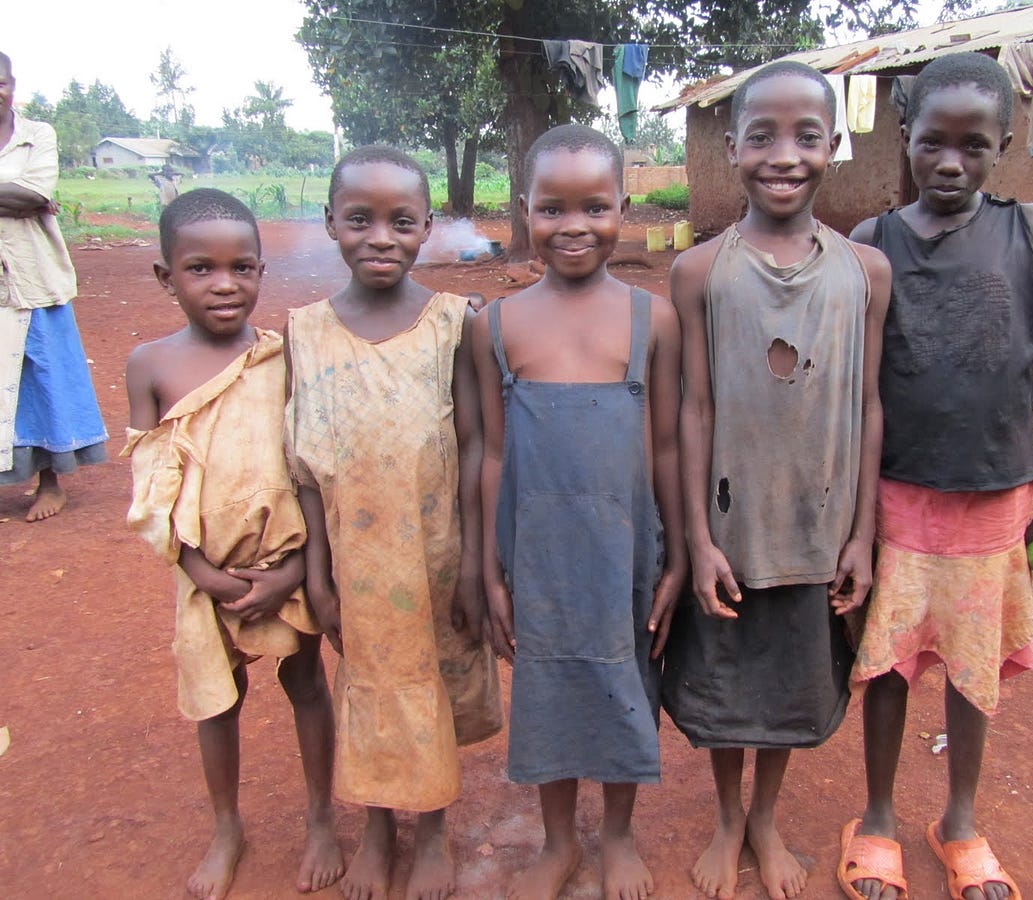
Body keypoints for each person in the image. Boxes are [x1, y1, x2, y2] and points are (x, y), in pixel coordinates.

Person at [838, 52, 1033, 900]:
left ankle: (960, 819)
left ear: (1004, 145)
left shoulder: (1031, 231)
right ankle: (874, 814)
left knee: (975, 665)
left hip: (996, 495)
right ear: (903, 138)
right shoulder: (873, 244)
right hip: (899, 494)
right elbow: (858, 385)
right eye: (933, 143)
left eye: (974, 146)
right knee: (888, 664)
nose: (951, 162)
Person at [662, 61, 891, 900]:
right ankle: (729, 818)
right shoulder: (698, 272)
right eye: (762, 136)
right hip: (732, 528)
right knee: (726, 683)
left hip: (819, 528)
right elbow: (693, 409)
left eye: (806, 135)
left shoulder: (865, 272)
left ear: (834, 144)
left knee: (793, 686)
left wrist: (863, 535)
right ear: (731, 148)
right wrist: (696, 535)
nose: (784, 154)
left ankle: (766, 817)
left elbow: (868, 405)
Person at [472, 123, 687, 900]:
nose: (573, 227)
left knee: (628, 680)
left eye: (594, 207)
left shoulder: (651, 319)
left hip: (627, 547)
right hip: (537, 552)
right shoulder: (493, 327)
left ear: (622, 208)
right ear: (520, 209)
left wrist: (680, 556)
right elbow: (490, 454)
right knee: (548, 686)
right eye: (551, 209)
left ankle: (619, 835)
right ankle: (559, 842)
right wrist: (488, 570)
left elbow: (665, 447)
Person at [286, 144, 502, 900]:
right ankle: (378, 829)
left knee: (433, 682)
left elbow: (476, 443)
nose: (381, 237)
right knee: (370, 683)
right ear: (331, 224)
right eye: (360, 220)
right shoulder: (304, 331)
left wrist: (477, 563)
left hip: (436, 555)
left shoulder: (455, 323)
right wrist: (316, 574)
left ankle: (433, 828)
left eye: (401, 221)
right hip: (355, 558)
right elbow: (305, 468)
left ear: (427, 228)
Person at [123, 189, 343, 900]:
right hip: (203, 574)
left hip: (285, 568)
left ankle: (318, 818)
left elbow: (306, 468)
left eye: (242, 268)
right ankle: (227, 827)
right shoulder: (150, 365)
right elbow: (152, 483)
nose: (225, 285)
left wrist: (292, 573)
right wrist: (201, 572)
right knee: (217, 700)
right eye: (201, 269)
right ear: (166, 277)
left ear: (260, 270)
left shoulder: (282, 357)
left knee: (306, 682)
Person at [0, 50, 107, 521]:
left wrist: (30, 201)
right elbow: (18, 198)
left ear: (12, 84)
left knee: (42, 375)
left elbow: (35, 196)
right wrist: (15, 196)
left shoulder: (37, 135)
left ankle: (51, 483)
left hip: (32, 275)